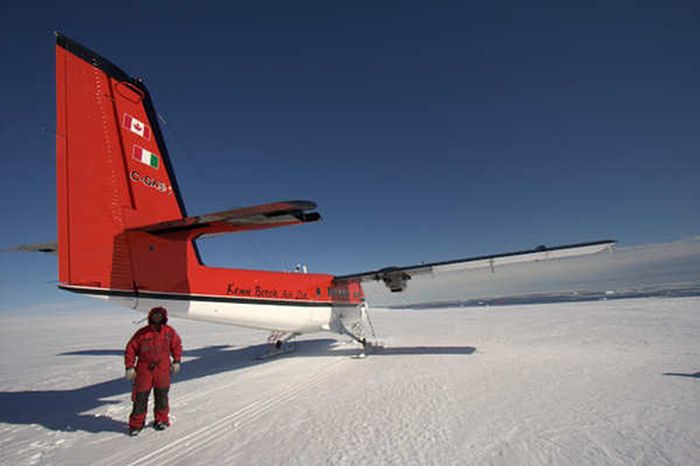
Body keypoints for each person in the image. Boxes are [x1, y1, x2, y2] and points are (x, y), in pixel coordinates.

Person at [124, 306, 182, 436]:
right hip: (144, 369)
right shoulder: (142, 333)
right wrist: (129, 366)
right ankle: (136, 424)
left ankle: (161, 420)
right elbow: (130, 349)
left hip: (163, 369)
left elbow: (176, 346)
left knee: (162, 396)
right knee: (140, 397)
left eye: (159, 316)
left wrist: (177, 360)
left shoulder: (169, 332)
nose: (157, 318)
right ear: (150, 317)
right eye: (155, 315)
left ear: (163, 317)